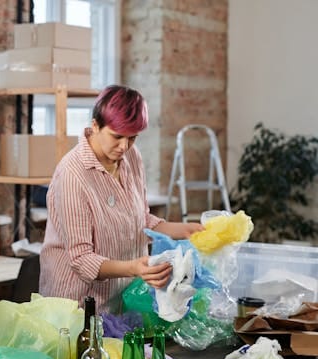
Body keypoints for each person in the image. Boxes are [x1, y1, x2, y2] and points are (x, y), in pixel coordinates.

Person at [39, 84, 204, 314]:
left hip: (120, 298)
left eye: (132, 138)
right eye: (116, 137)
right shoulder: (72, 175)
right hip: (76, 306)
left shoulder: (131, 157)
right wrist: (134, 267)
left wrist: (186, 231)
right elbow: (81, 259)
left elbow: (140, 219)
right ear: (95, 125)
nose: (124, 146)